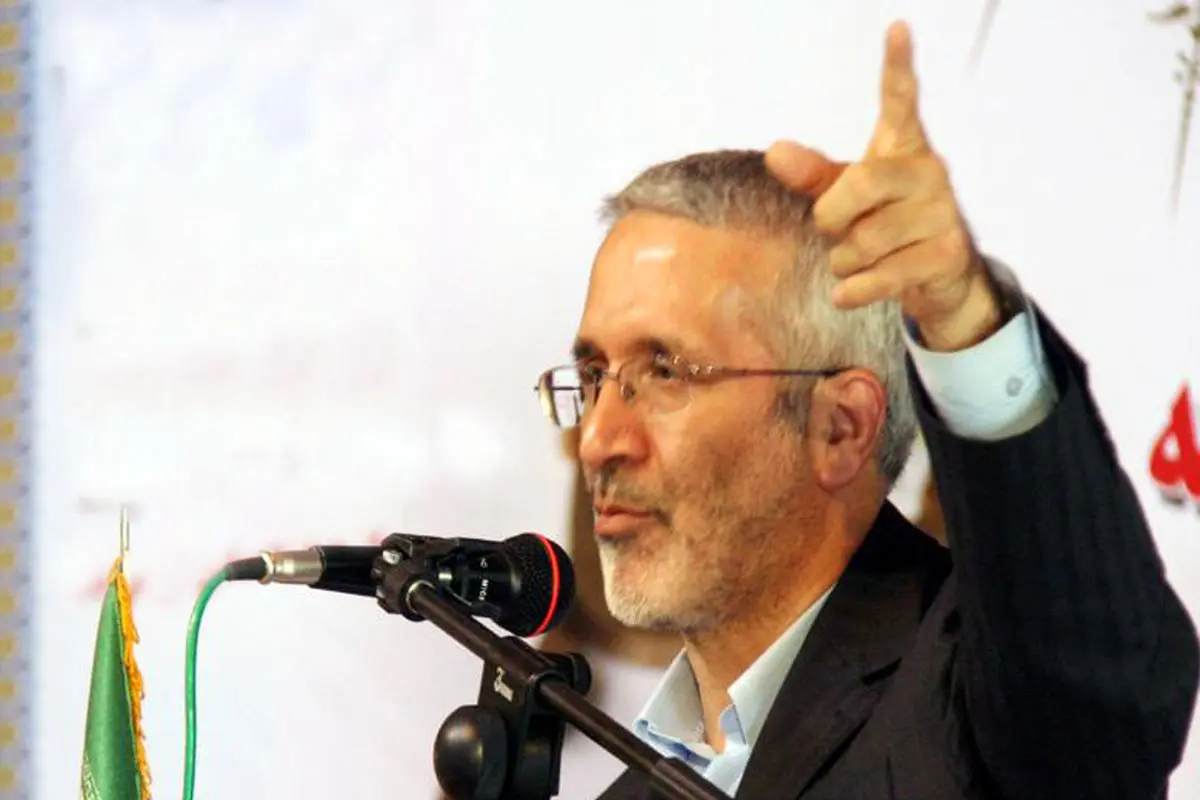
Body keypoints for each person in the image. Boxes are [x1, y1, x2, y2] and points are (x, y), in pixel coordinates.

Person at [533, 21, 1200, 800]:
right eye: (594, 374)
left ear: (840, 428)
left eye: (665, 372)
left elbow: (1100, 703)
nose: (599, 439)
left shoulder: (968, 704)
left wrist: (964, 318)